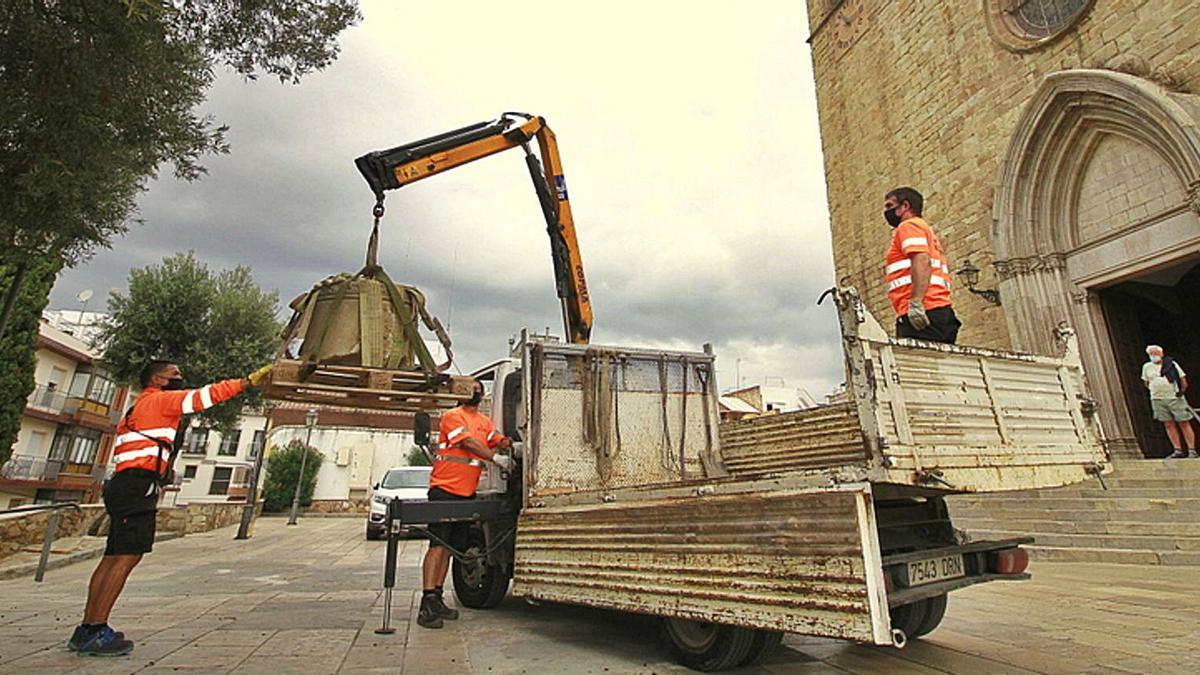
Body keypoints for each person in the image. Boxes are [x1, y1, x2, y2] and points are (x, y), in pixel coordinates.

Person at [68, 359, 273, 656]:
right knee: (125, 557)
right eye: (174, 374)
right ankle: (96, 629)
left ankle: (87, 627)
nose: (181, 377)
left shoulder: (140, 407)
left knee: (113, 556)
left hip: (125, 485)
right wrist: (247, 381)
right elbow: (206, 396)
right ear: (157, 379)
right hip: (138, 485)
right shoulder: (160, 401)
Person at [418, 379, 514, 629]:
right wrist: (496, 459)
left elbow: (497, 438)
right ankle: (427, 600)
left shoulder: (483, 422)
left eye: (478, 388)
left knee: (451, 547)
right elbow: (467, 443)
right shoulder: (452, 416)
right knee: (438, 545)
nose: (476, 391)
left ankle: (437, 596)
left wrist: (511, 445)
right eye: (471, 388)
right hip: (444, 490)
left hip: (466, 493)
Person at [883, 187, 961, 344]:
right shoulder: (925, 230)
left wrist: (916, 302)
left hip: (923, 313)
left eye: (890, 206)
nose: (886, 212)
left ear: (905, 206)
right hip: (939, 311)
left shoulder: (908, 226)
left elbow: (921, 260)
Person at [1142, 345, 1198, 459]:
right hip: (1157, 399)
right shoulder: (1146, 367)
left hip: (1174, 397)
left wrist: (1180, 392)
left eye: (1156, 353)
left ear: (1161, 353)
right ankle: (1177, 449)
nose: (1154, 355)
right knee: (1168, 423)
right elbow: (1146, 382)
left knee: (1183, 422)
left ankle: (1192, 450)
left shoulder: (1172, 364)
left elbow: (1183, 380)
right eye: (1151, 353)